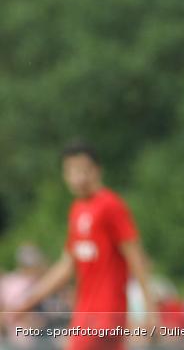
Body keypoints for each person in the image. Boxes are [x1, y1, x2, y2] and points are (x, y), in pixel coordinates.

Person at [13, 141, 157, 350]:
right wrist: (28, 301)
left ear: (97, 170)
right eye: (71, 171)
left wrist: (150, 310)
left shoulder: (111, 205)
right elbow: (67, 265)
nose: (78, 178)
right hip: (85, 310)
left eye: (83, 170)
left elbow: (136, 258)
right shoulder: (77, 209)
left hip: (105, 313)